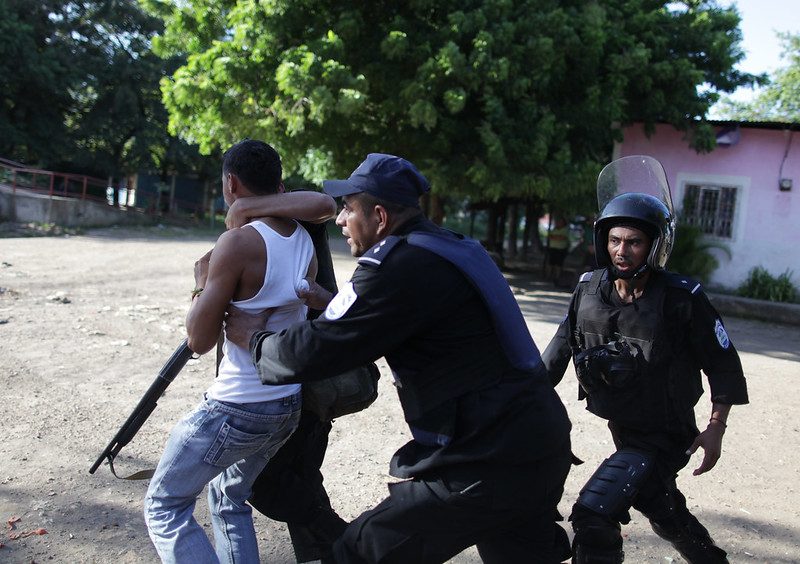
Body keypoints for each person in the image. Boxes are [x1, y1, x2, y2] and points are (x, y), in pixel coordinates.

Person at [224, 153, 574, 563]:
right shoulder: (449, 246)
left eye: (349, 209)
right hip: (537, 446)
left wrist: (256, 339)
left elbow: (321, 348)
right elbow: (411, 317)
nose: (340, 220)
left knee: (360, 551)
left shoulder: (394, 266)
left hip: (486, 462)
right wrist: (334, 302)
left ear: (379, 216)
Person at [541, 156, 749, 564]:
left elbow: (723, 363)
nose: (622, 251)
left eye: (633, 242)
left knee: (594, 512)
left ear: (654, 245)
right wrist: (524, 411)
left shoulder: (680, 299)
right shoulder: (588, 290)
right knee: (663, 509)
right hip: (623, 425)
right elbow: (555, 355)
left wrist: (715, 429)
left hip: (663, 434)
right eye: (615, 240)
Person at [143, 139, 326, 563]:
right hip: (285, 403)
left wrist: (200, 282)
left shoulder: (239, 244)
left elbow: (199, 340)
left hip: (238, 404)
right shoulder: (302, 238)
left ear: (230, 183)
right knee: (228, 498)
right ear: (279, 184)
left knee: (164, 505)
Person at [546, 216, 570, 285]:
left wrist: (554, 237)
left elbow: (562, 238)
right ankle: (548, 277)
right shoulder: (554, 229)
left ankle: (557, 278)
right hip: (553, 248)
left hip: (561, 249)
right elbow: (549, 236)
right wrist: (557, 237)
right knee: (550, 263)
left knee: (558, 265)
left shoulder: (565, 229)